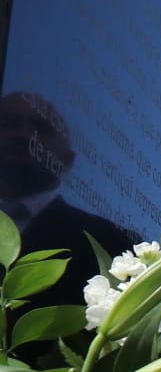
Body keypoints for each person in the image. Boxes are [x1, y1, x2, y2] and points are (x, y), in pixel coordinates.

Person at [0, 92, 136, 312]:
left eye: (41, 128)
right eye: (8, 122)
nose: (23, 134)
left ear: (68, 160)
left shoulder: (109, 241)